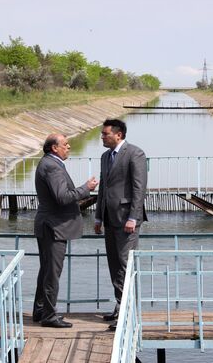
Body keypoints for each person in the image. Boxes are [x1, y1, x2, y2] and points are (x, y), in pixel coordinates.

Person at [33, 133, 98, 328]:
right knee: (52, 272)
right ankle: (49, 315)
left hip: (49, 225)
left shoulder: (49, 163)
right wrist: (86, 188)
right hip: (54, 227)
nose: (68, 147)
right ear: (54, 148)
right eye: (65, 144)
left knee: (46, 270)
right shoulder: (52, 166)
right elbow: (62, 197)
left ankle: (41, 310)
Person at [94, 119, 147, 329]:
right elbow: (103, 189)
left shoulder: (135, 154)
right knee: (114, 265)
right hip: (109, 218)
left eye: (105, 134)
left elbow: (138, 188)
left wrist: (133, 217)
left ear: (119, 134)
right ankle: (119, 305)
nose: (102, 137)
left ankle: (127, 312)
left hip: (127, 220)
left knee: (125, 265)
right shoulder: (105, 156)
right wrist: (98, 216)